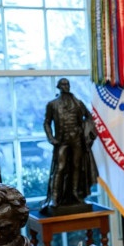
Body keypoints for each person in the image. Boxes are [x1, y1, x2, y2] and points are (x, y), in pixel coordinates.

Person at [42, 78, 98, 212]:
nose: (66, 86)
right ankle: (55, 197)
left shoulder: (78, 103)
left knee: (76, 166)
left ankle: (75, 194)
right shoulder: (52, 104)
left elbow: (89, 117)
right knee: (60, 167)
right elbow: (47, 122)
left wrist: (86, 131)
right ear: (59, 87)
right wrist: (51, 138)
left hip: (76, 140)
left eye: (67, 84)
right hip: (62, 140)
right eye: (63, 84)